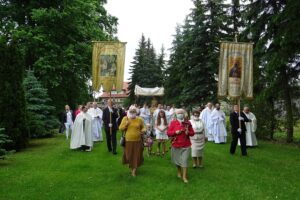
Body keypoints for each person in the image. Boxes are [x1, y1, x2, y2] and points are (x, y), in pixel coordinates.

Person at [167, 108, 195, 183]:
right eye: (178, 113)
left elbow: (192, 133)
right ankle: (179, 171)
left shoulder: (187, 123)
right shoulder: (173, 122)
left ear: (184, 114)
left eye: (181, 113)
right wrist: (175, 132)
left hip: (186, 144)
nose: (180, 114)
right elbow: (168, 133)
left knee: (185, 160)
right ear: (176, 115)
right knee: (177, 160)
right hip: (176, 144)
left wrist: (188, 132)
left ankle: (184, 177)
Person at [119, 106, 145, 177]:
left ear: (136, 112)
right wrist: (126, 125)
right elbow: (120, 128)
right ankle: (132, 166)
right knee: (129, 156)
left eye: (134, 111)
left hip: (137, 140)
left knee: (136, 155)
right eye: (131, 111)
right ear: (129, 111)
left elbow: (143, 127)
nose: (133, 112)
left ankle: (134, 170)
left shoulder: (139, 119)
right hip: (128, 141)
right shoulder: (125, 118)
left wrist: (142, 131)